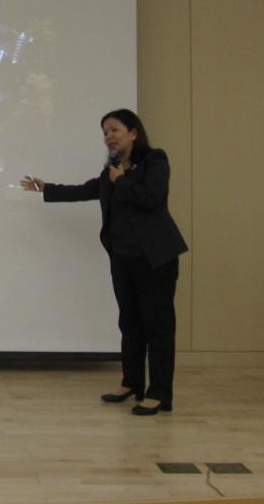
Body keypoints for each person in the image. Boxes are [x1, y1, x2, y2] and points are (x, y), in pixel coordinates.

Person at [21, 109, 187, 415]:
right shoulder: (111, 170)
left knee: (158, 326)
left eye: (114, 130)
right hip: (123, 257)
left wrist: (121, 181)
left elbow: (153, 198)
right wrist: (46, 188)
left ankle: (160, 393)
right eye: (105, 132)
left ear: (133, 132)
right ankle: (132, 383)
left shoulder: (154, 160)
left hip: (155, 259)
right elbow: (87, 190)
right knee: (130, 323)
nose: (108, 136)